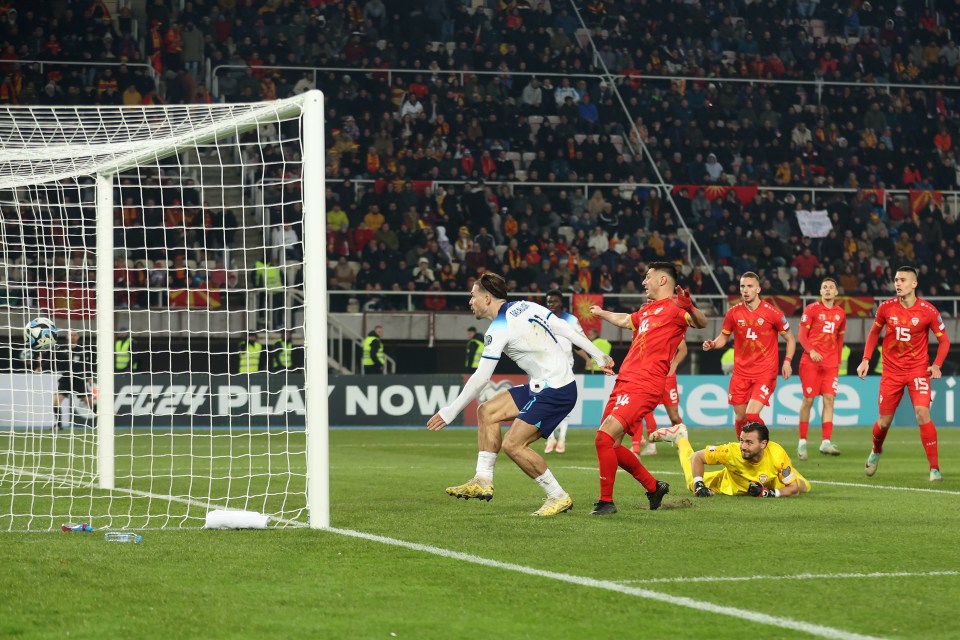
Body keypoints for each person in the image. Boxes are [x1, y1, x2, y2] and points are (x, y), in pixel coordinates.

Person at [426, 273, 615, 517]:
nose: (470, 301)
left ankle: (558, 496)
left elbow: (481, 379)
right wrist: (597, 355)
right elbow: (563, 327)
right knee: (487, 412)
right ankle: (483, 479)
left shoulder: (497, 330)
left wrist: (450, 411)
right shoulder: (525, 305)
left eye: (472, 296)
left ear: (486, 298)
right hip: (544, 385)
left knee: (514, 444)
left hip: (556, 391)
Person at [588, 262, 708, 515]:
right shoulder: (647, 310)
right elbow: (624, 320)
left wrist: (691, 307)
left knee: (603, 438)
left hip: (645, 383)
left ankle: (606, 502)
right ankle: (654, 487)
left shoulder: (677, 307)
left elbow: (701, 322)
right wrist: (601, 313)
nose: (643, 282)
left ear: (663, 280)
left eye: (647, 277)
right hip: (625, 381)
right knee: (611, 444)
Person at [857, 266, 951, 481]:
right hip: (891, 372)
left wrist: (936, 365)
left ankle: (934, 469)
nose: (898, 284)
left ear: (914, 284)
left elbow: (944, 340)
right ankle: (876, 450)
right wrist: (865, 359)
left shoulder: (928, 311)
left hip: (918, 370)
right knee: (883, 422)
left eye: (903, 280)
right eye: (896, 280)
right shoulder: (886, 308)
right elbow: (873, 333)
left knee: (922, 413)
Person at [703, 272, 796, 438]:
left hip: (765, 372)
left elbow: (790, 339)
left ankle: (765, 447)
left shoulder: (772, 313)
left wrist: (787, 362)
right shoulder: (733, 313)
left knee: (752, 416)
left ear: (758, 289)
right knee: (741, 418)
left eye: (750, 286)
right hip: (740, 373)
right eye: (742, 286)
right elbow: (724, 337)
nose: (745, 290)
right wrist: (713, 344)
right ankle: (744, 451)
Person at [650, 421, 811, 497]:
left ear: (763, 444)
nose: (743, 446)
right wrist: (700, 485)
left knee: (802, 487)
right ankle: (680, 437)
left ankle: (787, 471)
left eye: (749, 442)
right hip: (728, 483)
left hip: (770, 479)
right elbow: (697, 457)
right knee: (692, 482)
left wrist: (769, 493)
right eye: (742, 440)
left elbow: (793, 489)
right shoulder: (730, 451)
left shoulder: (776, 453)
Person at [796, 277, 845, 460]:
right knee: (808, 400)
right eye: (824, 287)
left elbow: (840, 338)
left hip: (830, 364)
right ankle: (802, 441)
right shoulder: (812, 309)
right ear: (820, 291)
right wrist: (811, 351)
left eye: (831, 287)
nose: (827, 290)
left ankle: (826, 442)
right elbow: (801, 335)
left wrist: (838, 359)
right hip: (810, 363)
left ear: (836, 292)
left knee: (829, 399)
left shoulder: (841, 313)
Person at [542, 289, 587, 454]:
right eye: (548, 302)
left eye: (554, 301)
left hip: (565, 367)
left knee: (563, 404)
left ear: (561, 303)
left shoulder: (571, 320)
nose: (551, 304)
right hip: (544, 367)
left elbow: (578, 342)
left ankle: (562, 438)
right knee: (545, 403)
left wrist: (590, 358)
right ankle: (550, 438)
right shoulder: (541, 318)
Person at [632, 341, 687, 456]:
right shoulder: (649, 328)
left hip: (668, 378)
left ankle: (683, 444)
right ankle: (647, 447)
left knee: (674, 416)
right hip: (650, 376)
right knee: (644, 411)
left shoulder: (673, 328)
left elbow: (683, 349)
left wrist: (675, 363)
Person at [50, 331, 95, 431]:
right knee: (56, 402)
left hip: (78, 379)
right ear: (67, 336)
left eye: (74, 335)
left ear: (78, 337)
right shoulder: (60, 349)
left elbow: (87, 366)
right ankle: (58, 424)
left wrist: (89, 377)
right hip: (66, 379)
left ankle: (102, 421)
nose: (73, 337)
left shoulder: (82, 350)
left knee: (90, 402)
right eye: (71, 334)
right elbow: (51, 359)